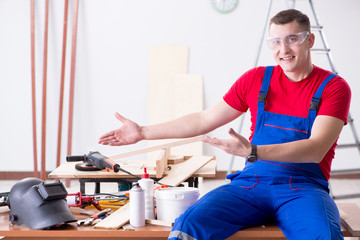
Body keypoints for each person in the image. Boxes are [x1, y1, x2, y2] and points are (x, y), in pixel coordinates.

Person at [99, 9, 351, 240]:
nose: (283, 49)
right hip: (252, 184)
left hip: (303, 189)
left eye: (292, 39)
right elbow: (204, 119)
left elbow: (316, 148)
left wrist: (254, 151)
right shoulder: (256, 79)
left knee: (324, 235)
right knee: (188, 224)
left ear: (310, 40)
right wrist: (143, 132)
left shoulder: (333, 88)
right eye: (275, 41)